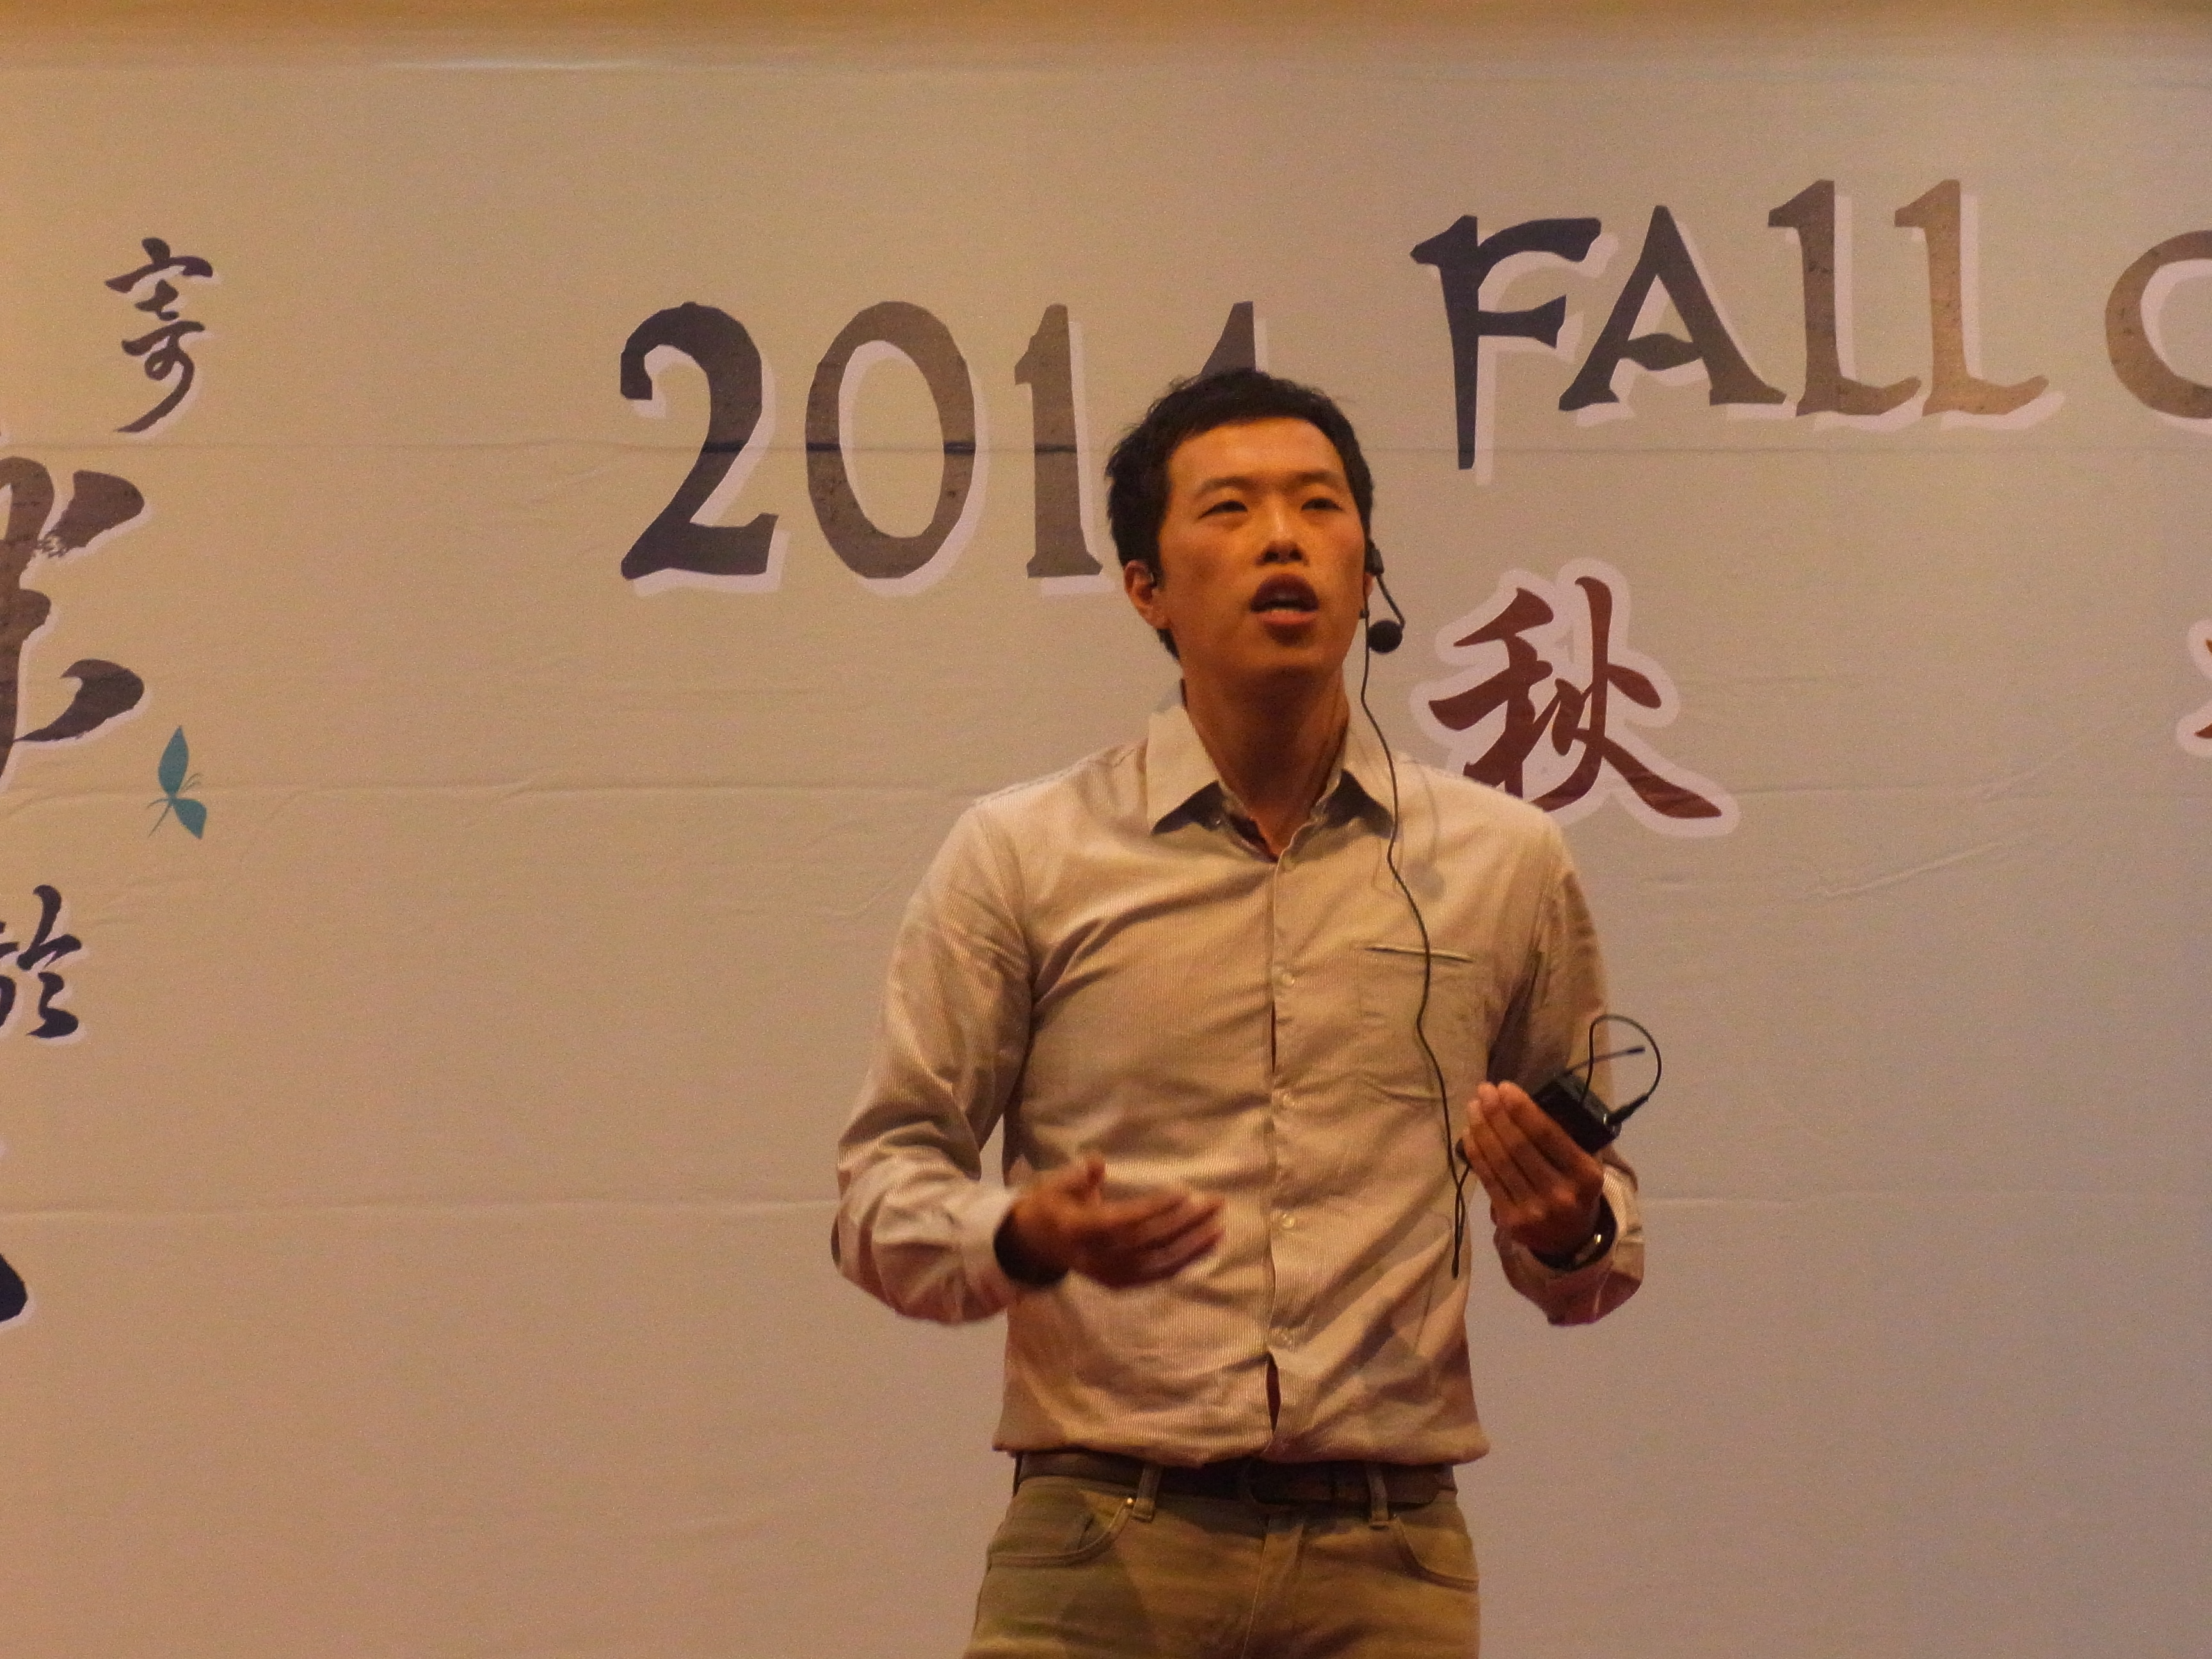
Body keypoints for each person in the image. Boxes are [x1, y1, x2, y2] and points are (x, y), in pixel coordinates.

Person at [834, 369, 1643, 1658]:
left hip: (1389, 1558)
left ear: (1368, 568)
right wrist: (1019, 1235)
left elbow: (1596, 1238)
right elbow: (881, 1193)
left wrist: (1571, 1225)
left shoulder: (1503, 861)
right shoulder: (1026, 853)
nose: (1282, 538)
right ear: (1145, 587)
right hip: (1102, 1544)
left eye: (1319, 506)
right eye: (1230, 509)